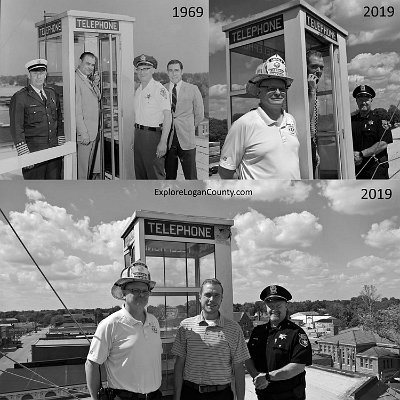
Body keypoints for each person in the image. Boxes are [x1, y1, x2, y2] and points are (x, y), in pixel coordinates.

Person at [85, 261, 163, 400]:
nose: (141, 295)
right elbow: (91, 363)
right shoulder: (110, 324)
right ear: (123, 293)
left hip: (154, 396)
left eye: (145, 291)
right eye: (135, 290)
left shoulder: (154, 322)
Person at [218, 54, 300, 179]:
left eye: (282, 88)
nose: (278, 92)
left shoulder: (290, 120)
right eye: (271, 88)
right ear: (258, 91)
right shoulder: (243, 124)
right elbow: (225, 171)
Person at [172, 278, 250, 400]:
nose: (212, 299)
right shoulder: (185, 326)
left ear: (221, 298)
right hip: (190, 393)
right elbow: (179, 365)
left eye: (216, 295)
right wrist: (176, 397)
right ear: (199, 297)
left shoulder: (234, 329)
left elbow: (239, 368)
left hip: (221, 395)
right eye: (208, 295)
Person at [245, 285, 312, 400]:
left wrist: (268, 377)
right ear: (265, 308)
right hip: (263, 395)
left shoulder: (296, 333)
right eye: (270, 306)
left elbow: (298, 366)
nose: (274, 309)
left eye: (278, 306)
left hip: (290, 396)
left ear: (286, 306)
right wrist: (257, 377)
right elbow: (247, 357)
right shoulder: (257, 332)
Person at [9, 58, 64, 179]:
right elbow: (16, 128)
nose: (39, 77)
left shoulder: (52, 94)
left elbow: (59, 120)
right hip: (33, 154)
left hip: (54, 153)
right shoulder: (20, 97)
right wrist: (25, 155)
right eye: (35, 73)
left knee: (54, 188)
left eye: (42, 73)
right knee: (35, 190)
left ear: (46, 75)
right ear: (29, 75)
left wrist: (61, 146)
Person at [133, 54, 172, 179]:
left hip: (153, 137)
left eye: (146, 69)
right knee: (140, 175)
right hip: (139, 135)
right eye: (139, 69)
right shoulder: (138, 91)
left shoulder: (159, 89)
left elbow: (167, 116)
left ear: (153, 70)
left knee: (155, 176)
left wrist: (163, 142)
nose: (142, 72)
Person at [165, 59, 204, 180]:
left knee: (191, 176)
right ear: (167, 72)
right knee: (169, 176)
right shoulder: (162, 89)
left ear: (181, 72)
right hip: (168, 139)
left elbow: (199, 114)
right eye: (170, 70)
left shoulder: (193, 89)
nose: (174, 73)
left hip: (187, 138)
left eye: (176, 70)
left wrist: (189, 127)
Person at [351, 84, 393, 179]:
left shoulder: (380, 120)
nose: (363, 102)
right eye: (360, 99)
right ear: (356, 101)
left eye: (366, 99)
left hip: (376, 170)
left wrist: (361, 154)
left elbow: (383, 143)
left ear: (371, 100)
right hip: (357, 170)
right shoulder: (350, 121)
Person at [75, 52, 101, 180]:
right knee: (82, 170)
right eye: (87, 63)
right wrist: (83, 133)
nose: (90, 67)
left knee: (88, 169)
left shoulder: (86, 79)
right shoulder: (76, 80)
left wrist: (95, 84)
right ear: (80, 62)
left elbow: (98, 98)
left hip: (92, 132)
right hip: (85, 134)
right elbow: (76, 111)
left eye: (92, 65)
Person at [307, 50, 325, 179]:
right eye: (314, 66)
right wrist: (312, 91)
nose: (318, 70)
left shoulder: (313, 88)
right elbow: (304, 120)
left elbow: (312, 124)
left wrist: (315, 148)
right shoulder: (299, 88)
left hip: (311, 143)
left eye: (321, 67)